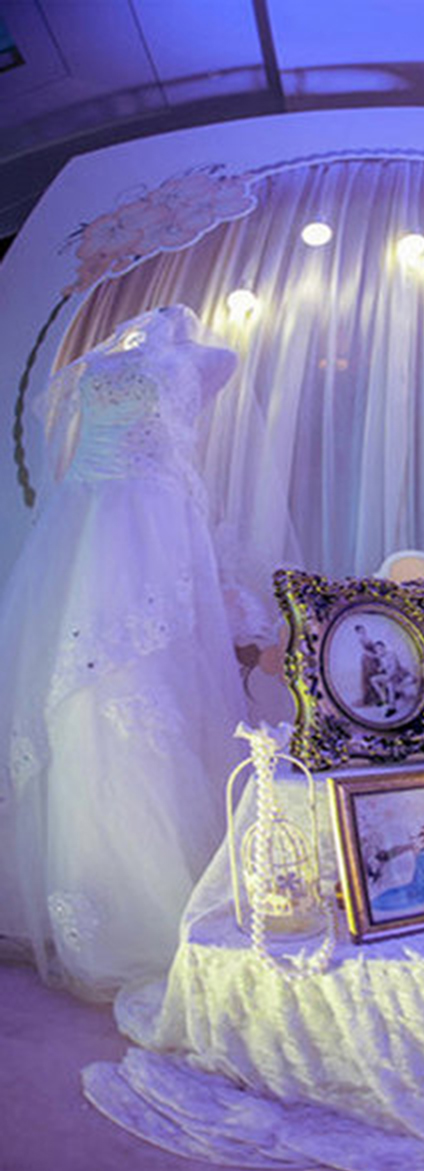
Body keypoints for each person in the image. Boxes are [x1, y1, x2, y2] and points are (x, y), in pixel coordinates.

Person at [0, 305, 247, 1000]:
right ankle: (83, 896)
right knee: (73, 693)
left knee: (143, 690)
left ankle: (154, 894)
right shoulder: (93, 364)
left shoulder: (210, 358)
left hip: (153, 532)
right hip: (84, 526)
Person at [370, 826, 424, 913]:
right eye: (413, 839)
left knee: (392, 898)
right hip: (421, 885)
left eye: (420, 840)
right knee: (391, 894)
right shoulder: (421, 855)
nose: (414, 843)